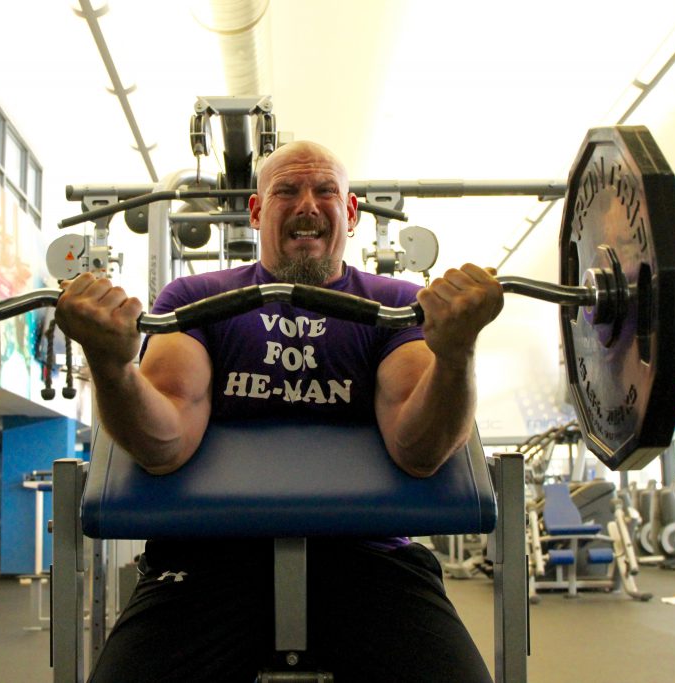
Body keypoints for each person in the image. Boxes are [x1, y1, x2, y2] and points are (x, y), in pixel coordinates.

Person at [55, 140, 502, 681]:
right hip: (207, 561)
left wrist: (456, 354)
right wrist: (112, 366)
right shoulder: (195, 298)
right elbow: (164, 443)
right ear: (257, 211)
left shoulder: (396, 304)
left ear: (352, 213)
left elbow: (420, 450)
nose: (308, 205)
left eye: (326, 192)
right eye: (286, 190)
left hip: (368, 558)